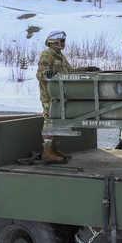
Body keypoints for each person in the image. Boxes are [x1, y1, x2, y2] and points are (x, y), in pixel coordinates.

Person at [36, 30, 75, 164]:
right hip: (49, 94)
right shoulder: (47, 55)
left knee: (57, 120)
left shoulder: (60, 56)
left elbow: (70, 71)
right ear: (54, 41)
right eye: (61, 41)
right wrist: (48, 73)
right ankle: (47, 151)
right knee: (49, 119)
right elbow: (40, 75)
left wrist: (87, 69)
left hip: (59, 94)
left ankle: (54, 149)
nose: (63, 43)